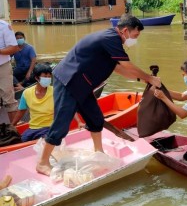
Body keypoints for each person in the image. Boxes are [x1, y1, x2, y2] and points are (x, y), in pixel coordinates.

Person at [36, 13, 161, 176]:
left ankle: (98, 152)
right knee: (61, 124)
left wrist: (143, 79)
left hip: (83, 85)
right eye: (135, 35)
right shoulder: (111, 38)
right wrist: (150, 77)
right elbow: (127, 65)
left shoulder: (113, 42)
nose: (135, 39)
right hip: (69, 81)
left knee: (95, 118)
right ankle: (42, 163)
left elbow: (119, 68)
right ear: (125, 30)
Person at [12, 63, 53, 142]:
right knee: (20, 141)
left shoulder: (55, 91)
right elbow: (21, 111)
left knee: (44, 141)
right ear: (37, 78)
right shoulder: (27, 92)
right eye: (45, 76)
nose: (47, 79)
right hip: (33, 128)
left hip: (49, 127)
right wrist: (12, 125)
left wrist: (78, 121)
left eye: (49, 76)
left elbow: (65, 107)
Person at [0, 20, 20, 122]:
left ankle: (13, 131)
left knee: (9, 100)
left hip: (2, 67)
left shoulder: (4, 26)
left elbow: (14, 48)